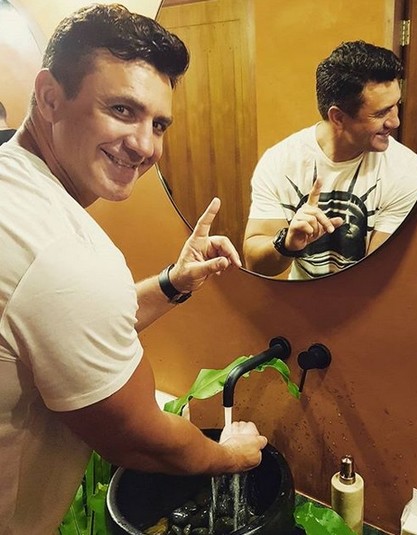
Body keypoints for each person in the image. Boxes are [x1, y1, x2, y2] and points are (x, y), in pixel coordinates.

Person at [0, 5, 268, 533]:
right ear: (50, 96)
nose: (145, 146)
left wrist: (173, 283)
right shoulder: (61, 251)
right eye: (122, 109)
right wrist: (230, 454)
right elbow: (142, 439)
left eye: (159, 124)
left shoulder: (14, 187)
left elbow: (58, 326)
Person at [243, 40, 417, 280]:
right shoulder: (280, 162)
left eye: (395, 106)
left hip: (367, 301)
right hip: (298, 299)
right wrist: (287, 243)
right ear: (338, 118)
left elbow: (379, 278)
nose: (395, 121)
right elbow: (256, 263)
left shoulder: (407, 170)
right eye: (381, 113)